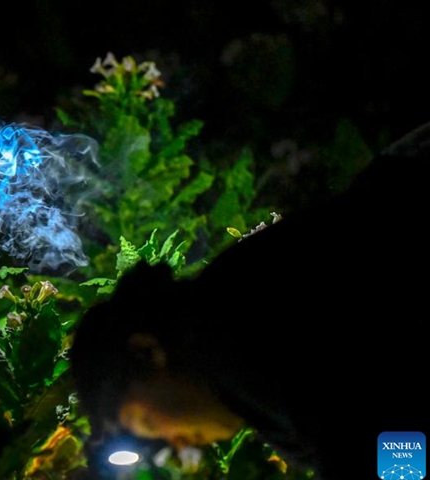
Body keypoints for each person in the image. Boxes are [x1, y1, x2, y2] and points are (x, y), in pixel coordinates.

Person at [69, 121, 430, 480]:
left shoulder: (231, 334)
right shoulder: (229, 337)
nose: (176, 442)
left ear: (149, 352)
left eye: (148, 421)